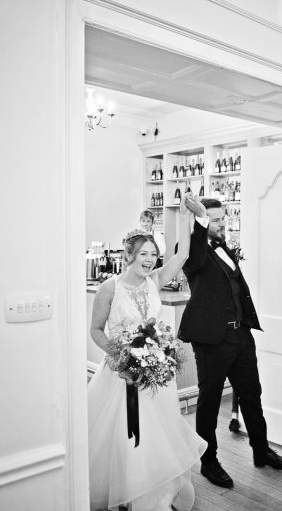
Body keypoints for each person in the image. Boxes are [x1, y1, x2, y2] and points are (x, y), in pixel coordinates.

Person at [88, 193, 206, 511]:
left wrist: (185, 217)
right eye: (144, 253)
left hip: (155, 374)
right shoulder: (109, 288)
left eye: (153, 254)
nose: (150, 259)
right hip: (121, 375)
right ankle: (125, 491)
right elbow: (96, 330)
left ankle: (154, 487)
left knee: (157, 435)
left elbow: (181, 256)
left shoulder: (155, 281)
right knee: (125, 438)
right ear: (129, 255)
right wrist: (123, 356)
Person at [177, 198, 282, 489]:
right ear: (201, 222)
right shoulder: (191, 250)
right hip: (212, 340)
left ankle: (261, 450)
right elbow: (195, 263)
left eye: (222, 219)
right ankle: (209, 461)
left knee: (251, 394)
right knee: (210, 400)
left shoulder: (223, 246)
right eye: (215, 220)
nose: (221, 224)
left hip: (241, 335)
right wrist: (201, 220)